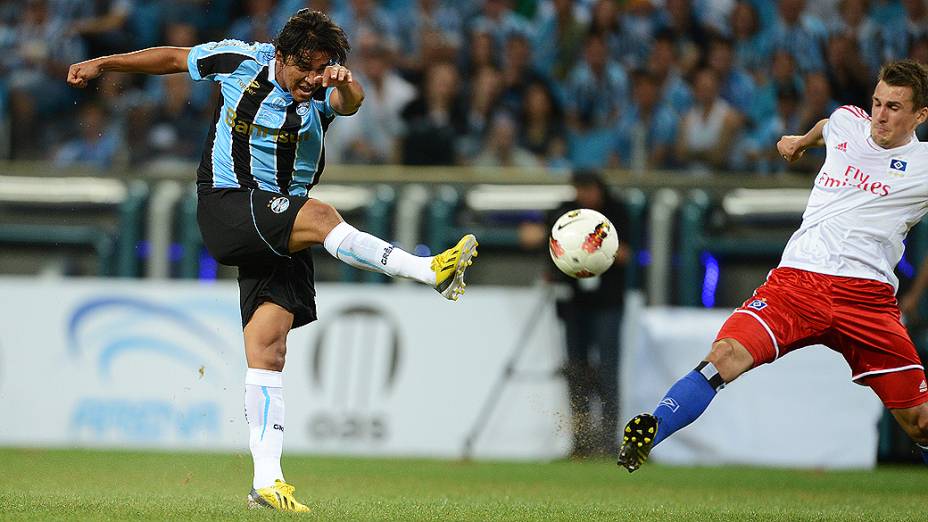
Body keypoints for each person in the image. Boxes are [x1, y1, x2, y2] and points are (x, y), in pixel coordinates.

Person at [66, 9, 478, 511]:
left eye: (322, 69)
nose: (312, 80)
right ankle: (428, 269)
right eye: (305, 69)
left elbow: (352, 104)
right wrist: (104, 63)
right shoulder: (241, 61)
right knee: (324, 216)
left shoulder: (323, 91)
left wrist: (344, 84)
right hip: (229, 203)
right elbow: (173, 57)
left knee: (268, 350)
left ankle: (266, 482)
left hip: (282, 224)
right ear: (280, 56)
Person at [618, 59, 928, 473]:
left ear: (920, 115)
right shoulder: (848, 122)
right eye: (876, 102)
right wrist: (802, 140)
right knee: (724, 355)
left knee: (920, 423)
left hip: (866, 299)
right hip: (796, 284)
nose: (880, 115)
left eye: (894, 107)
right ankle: (651, 430)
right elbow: (827, 125)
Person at [521, 170, 631, 457]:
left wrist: (597, 246)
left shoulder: (616, 211)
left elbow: (628, 255)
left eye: (589, 189)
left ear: (599, 189)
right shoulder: (565, 214)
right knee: (576, 371)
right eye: (579, 190)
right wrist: (562, 241)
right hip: (573, 304)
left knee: (607, 371)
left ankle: (608, 441)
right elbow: (530, 235)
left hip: (607, 303)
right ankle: (581, 443)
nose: (584, 196)